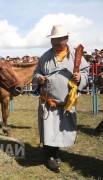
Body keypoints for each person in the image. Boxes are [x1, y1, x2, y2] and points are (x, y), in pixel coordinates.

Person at [32, 24, 89, 172]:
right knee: (49, 130)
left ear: (66, 39)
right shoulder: (45, 56)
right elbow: (37, 72)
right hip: (49, 102)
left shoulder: (76, 56)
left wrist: (80, 77)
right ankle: (50, 156)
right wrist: (39, 78)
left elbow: (86, 72)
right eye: (53, 40)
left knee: (61, 130)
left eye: (59, 39)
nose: (56, 42)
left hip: (66, 102)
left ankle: (55, 152)